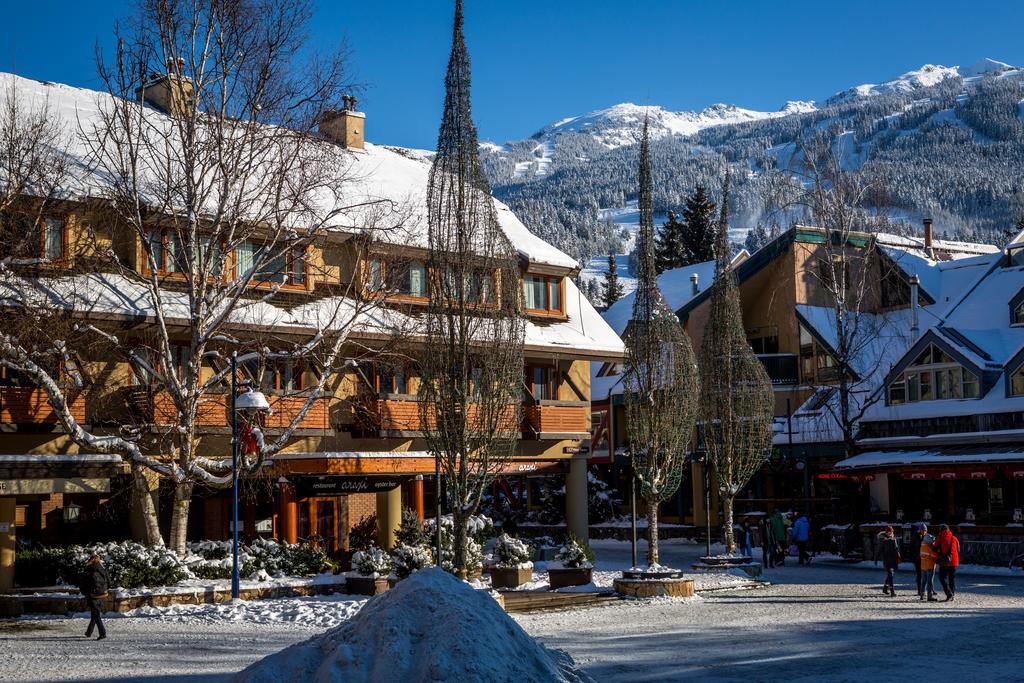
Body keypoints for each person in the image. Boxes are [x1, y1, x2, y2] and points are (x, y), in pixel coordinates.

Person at [79, 554, 109, 640]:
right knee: (95, 613)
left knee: (96, 614)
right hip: (102, 594)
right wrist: (104, 590)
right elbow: (109, 582)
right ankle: (89, 632)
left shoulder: (89, 569)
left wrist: (85, 592)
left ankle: (102, 633)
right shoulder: (103, 569)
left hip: (92, 595)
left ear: (90, 560)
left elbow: (83, 583)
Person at [933, 524, 960, 601]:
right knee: (952, 579)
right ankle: (952, 594)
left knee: (942, 578)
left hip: (944, 562)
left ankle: (949, 593)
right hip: (954, 561)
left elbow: (934, 548)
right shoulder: (954, 538)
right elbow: (958, 549)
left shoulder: (940, 538)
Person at [878, 526, 901, 596]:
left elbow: (896, 549)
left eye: (891, 532)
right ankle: (892, 591)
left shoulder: (893, 539)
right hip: (887, 560)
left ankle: (885, 588)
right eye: (889, 532)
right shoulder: (883, 540)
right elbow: (880, 550)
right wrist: (878, 557)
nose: (890, 533)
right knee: (890, 575)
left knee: (890, 575)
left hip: (893, 560)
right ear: (886, 532)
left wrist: (898, 556)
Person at [919, 527, 939, 602]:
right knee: (929, 581)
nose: (933, 542)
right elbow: (934, 556)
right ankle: (929, 596)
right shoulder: (929, 547)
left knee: (923, 581)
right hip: (929, 566)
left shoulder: (922, 545)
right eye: (932, 541)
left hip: (923, 566)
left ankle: (922, 594)